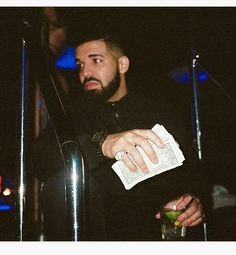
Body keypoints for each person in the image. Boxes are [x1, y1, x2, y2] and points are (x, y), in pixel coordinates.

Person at [32, 13, 207, 241]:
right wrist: (101, 143)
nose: (85, 73)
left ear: (122, 64)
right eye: (80, 65)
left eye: (96, 60)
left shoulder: (160, 112)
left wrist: (193, 201)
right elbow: (38, 159)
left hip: (157, 231)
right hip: (101, 232)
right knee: (60, 185)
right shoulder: (73, 115)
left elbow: (193, 173)